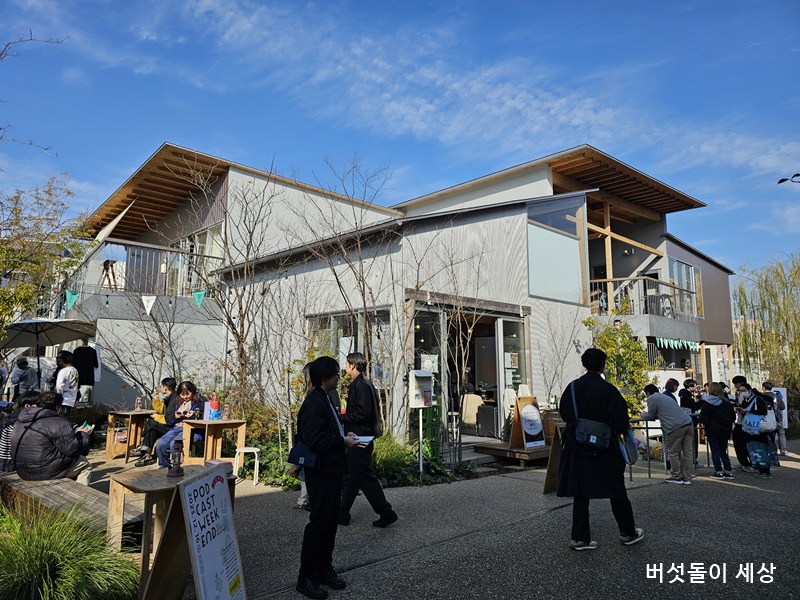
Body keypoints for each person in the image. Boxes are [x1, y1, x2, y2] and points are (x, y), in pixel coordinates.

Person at [557, 348, 643, 551]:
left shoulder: (572, 388)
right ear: (602, 365)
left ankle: (579, 538)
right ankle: (628, 532)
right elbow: (620, 422)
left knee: (581, 493)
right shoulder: (609, 390)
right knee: (616, 490)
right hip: (605, 449)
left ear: (584, 365)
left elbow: (565, 414)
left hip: (577, 446)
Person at [296, 356, 358, 599]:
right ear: (324, 378)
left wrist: (343, 437)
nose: (338, 378)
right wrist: (343, 441)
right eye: (335, 374)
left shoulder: (324, 398)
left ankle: (323, 568)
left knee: (330, 521)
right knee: (319, 523)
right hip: (320, 472)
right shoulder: (314, 402)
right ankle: (306, 577)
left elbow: (327, 431)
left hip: (331, 470)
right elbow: (314, 439)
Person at [338, 352, 397, 528]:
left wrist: (341, 417)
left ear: (353, 365)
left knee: (364, 477)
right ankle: (343, 513)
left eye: (347, 364)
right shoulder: (362, 383)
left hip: (360, 437)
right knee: (353, 476)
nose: (345, 367)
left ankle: (386, 513)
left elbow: (362, 413)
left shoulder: (362, 385)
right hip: (359, 436)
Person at [10, 391, 93, 485]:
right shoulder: (60, 423)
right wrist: (83, 434)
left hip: (23, 470)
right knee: (84, 463)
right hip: (45, 472)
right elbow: (74, 450)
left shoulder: (20, 422)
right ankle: (78, 494)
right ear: (57, 407)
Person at [640, 384, 694, 484]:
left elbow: (650, 416)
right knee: (687, 453)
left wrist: (642, 414)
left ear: (647, 392)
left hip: (675, 427)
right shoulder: (665, 397)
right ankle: (687, 478)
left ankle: (676, 476)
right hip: (688, 423)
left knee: (673, 452)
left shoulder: (652, 398)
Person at [155, 380, 201, 469]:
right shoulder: (176, 401)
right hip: (176, 428)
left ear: (192, 391)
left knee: (175, 444)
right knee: (161, 444)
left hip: (192, 429)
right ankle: (164, 466)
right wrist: (175, 416)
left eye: (188, 394)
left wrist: (193, 416)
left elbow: (204, 416)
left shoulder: (200, 400)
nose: (185, 397)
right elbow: (168, 418)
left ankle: (177, 467)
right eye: (182, 394)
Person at [737, 382, 778, 480]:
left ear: (749, 390)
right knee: (754, 449)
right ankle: (761, 469)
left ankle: (766, 471)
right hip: (751, 428)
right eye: (740, 391)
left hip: (760, 429)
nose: (742, 393)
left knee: (762, 449)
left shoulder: (758, 399)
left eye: (744, 390)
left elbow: (763, 411)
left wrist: (748, 411)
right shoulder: (745, 400)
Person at [134, 377, 177, 467]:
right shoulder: (169, 398)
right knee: (152, 431)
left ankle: (141, 444)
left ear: (165, 387)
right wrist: (156, 399)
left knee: (151, 422)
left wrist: (157, 417)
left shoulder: (174, 399)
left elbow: (169, 418)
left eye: (162, 386)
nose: (161, 388)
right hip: (168, 425)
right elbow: (162, 410)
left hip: (173, 427)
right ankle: (147, 456)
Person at [698, 382, 735, 480]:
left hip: (712, 429)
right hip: (725, 429)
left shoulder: (707, 402)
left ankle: (718, 471)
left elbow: (703, 418)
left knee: (715, 451)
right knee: (723, 451)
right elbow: (733, 416)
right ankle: (728, 471)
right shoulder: (726, 402)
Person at [0, 391, 41, 472]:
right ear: (27, 406)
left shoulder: (10, 418)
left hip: (4, 463)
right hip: (14, 466)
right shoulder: (22, 422)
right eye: (39, 406)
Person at [292, 363, 313, 511]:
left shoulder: (314, 396)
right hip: (306, 441)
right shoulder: (314, 395)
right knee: (304, 472)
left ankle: (304, 500)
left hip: (307, 442)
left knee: (305, 473)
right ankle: (304, 500)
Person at [731, 376, 756, 472]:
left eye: (736, 384)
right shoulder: (747, 394)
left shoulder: (746, 395)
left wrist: (739, 407)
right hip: (742, 422)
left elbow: (741, 405)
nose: (735, 386)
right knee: (742, 442)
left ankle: (746, 463)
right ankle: (746, 462)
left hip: (745, 422)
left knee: (741, 443)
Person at [678, 378, 702, 467]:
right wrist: (702, 402)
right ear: (690, 387)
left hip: (686, 421)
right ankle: (693, 460)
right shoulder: (686, 396)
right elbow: (693, 406)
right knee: (692, 442)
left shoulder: (684, 395)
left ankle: (692, 460)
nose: (696, 388)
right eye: (695, 386)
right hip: (690, 421)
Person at [763, 382, 788, 456]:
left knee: (770, 435)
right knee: (781, 434)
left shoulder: (761, 396)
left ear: (763, 388)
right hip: (778, 418)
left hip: (767, 419)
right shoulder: (776, 396)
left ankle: (772, 451)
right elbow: (783, 407)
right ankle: (783, 451)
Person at [72, 339, 99, 405]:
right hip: (88, 375)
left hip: (79, 375)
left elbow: (73, 364)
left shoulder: (76, 351)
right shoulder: (92, 351)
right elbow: (96, 365)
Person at [55, 351, 79, 415]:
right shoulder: (74, 370)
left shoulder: (63, 371)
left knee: (60, 418)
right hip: (71, 399)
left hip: (63, 399)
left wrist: (58, 396)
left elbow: (59, 385)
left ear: (64, 359)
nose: (57, 360)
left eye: (58, 358)